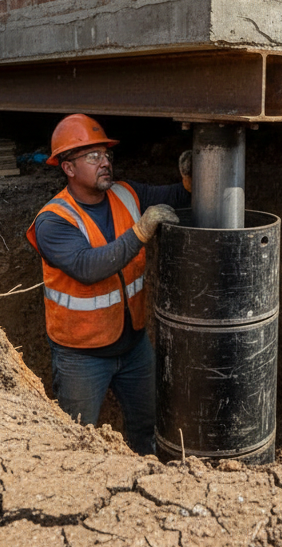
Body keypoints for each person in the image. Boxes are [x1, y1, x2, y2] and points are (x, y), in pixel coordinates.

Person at [26, 113, 191, 453]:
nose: (105, 163)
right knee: (77, 441)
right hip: (81, 357)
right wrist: (142, 231)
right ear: (68, 168)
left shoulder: (126, 195)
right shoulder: (53, 221)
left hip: (133, 348)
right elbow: (87, 267)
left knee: (149, 429)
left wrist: (191, 182)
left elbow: (177, 198)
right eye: (93, 156)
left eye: (106, 155)